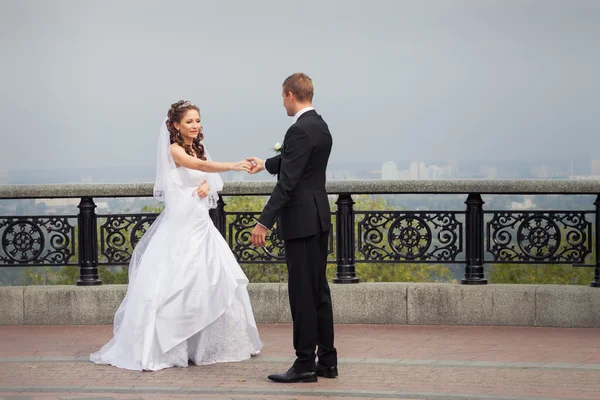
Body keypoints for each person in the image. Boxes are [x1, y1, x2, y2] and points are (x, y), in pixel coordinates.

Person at [90, 100, 263, 371]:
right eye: (189, 122)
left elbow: (206, 175)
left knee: (211, 278)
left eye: (197, 120)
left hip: (200, 221)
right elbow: (201, 167)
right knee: (179, 280)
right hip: (183, 222)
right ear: (175, 126)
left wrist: (207, 185)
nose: (195, 126)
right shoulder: (174, 149)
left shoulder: (198, 148)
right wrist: (234, 165)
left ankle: (202, 345)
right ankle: (170, 345)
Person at [247, 73, 337, 383]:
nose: (282, 102)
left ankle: (304, 364)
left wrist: (263, 222)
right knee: (319, 292)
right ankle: (327, 361)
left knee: (301, 294)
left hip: (300, 223)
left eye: (282, 97)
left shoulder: (298, 130)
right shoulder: (320, 126)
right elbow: (297, 162)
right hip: (319, 218)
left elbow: (289, 181)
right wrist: (266, 163)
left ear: (289, 95)